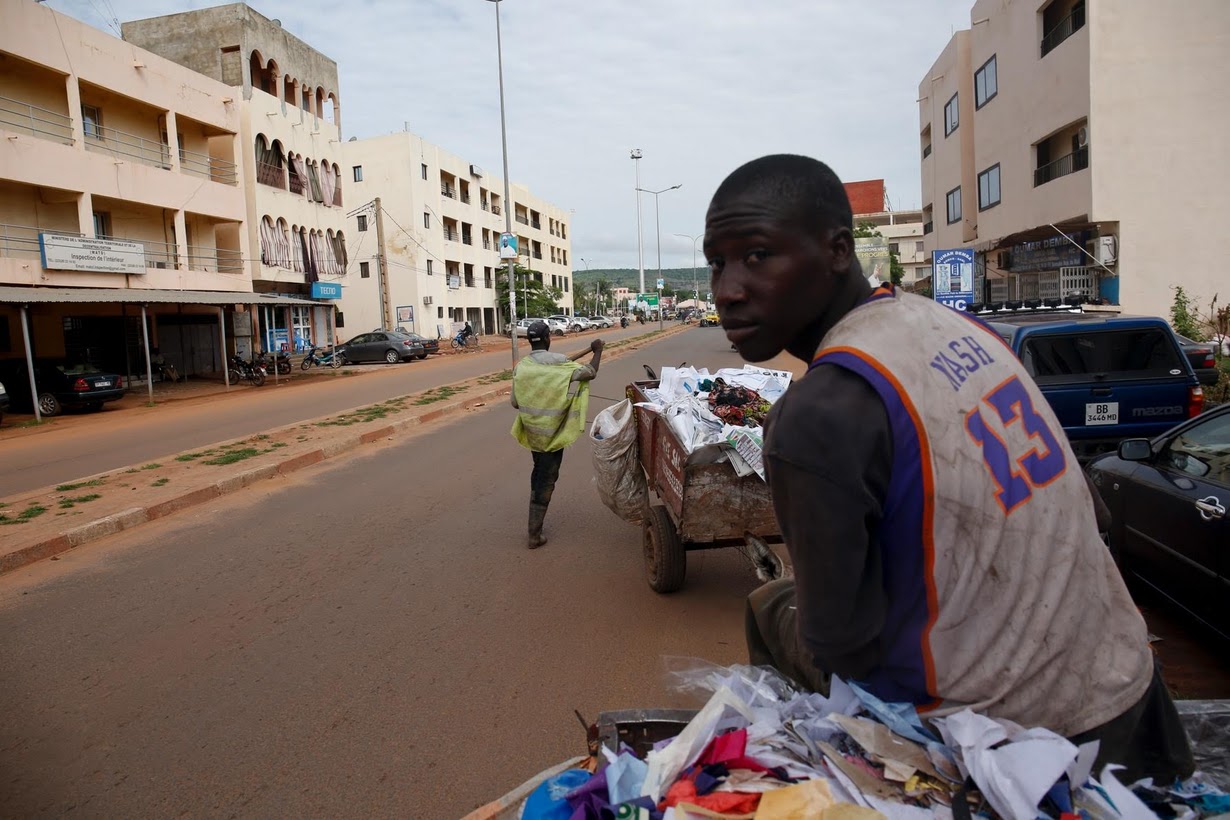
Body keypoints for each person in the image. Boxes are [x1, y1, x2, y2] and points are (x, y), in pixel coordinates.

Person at [706, 154, 1192, 782]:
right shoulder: (960, 327)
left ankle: (815, 767)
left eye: (757, 255)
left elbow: (839, 643)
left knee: (770, 604)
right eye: (717, 261)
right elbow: (1092, 512)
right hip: (1131, 691)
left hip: (1009, 749)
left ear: (836, 251)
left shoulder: (814, 416)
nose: (728, 288)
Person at [510, 320, 604, 549]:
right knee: (546, 478)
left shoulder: (522, 367)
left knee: (539, 472)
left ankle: (535, 521)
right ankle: (534, 534)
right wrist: (598, 350)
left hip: (532, 433)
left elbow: (515, 402)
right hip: (552, 434)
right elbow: (589, 372)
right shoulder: (560, 364)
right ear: (548, 338)